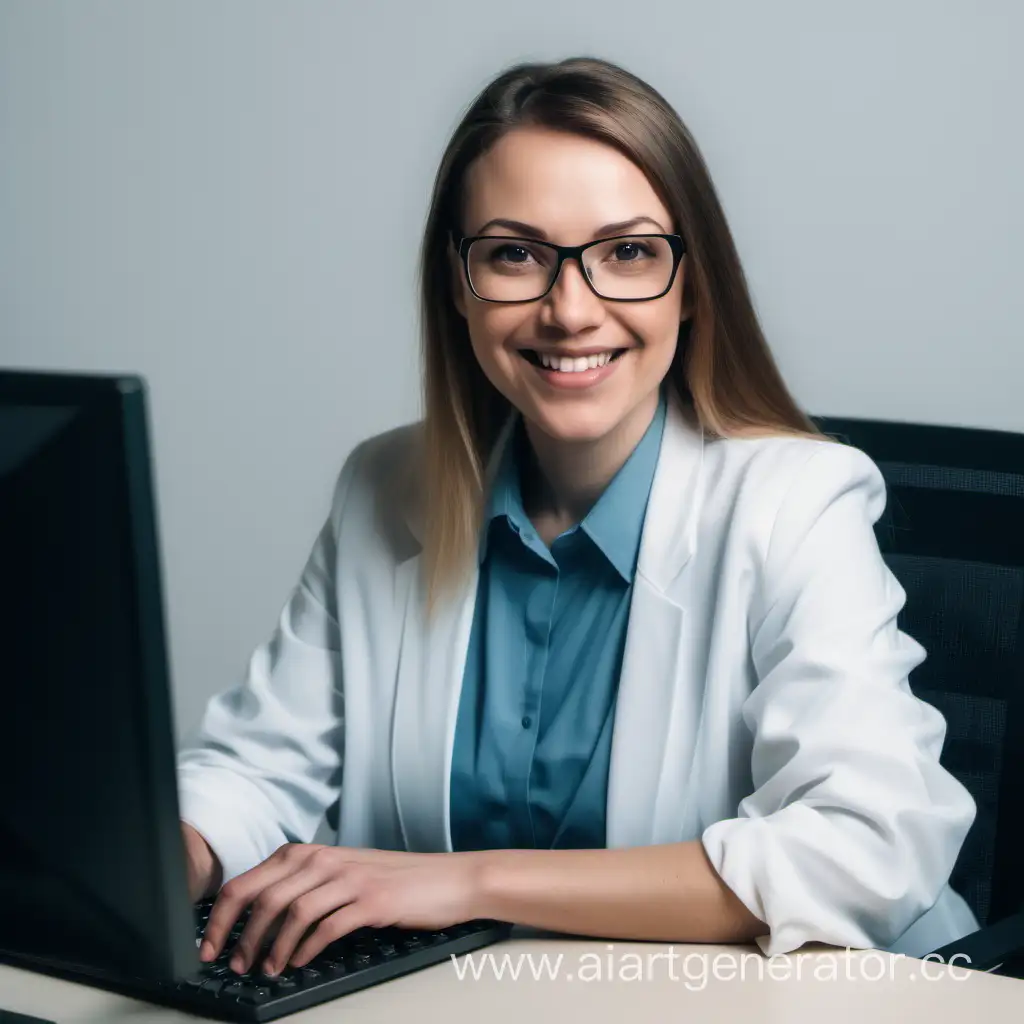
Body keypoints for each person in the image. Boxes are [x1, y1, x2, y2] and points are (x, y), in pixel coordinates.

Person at [176, 55, 979, 980]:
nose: (570, 309)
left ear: (692, 282)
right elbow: (252, 769)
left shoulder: (796, 500)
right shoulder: (383, 486)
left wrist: (465, 882)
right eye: (516, 254)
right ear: (458, 283)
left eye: (628, 253)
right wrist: (170, 856)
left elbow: (865, 849)